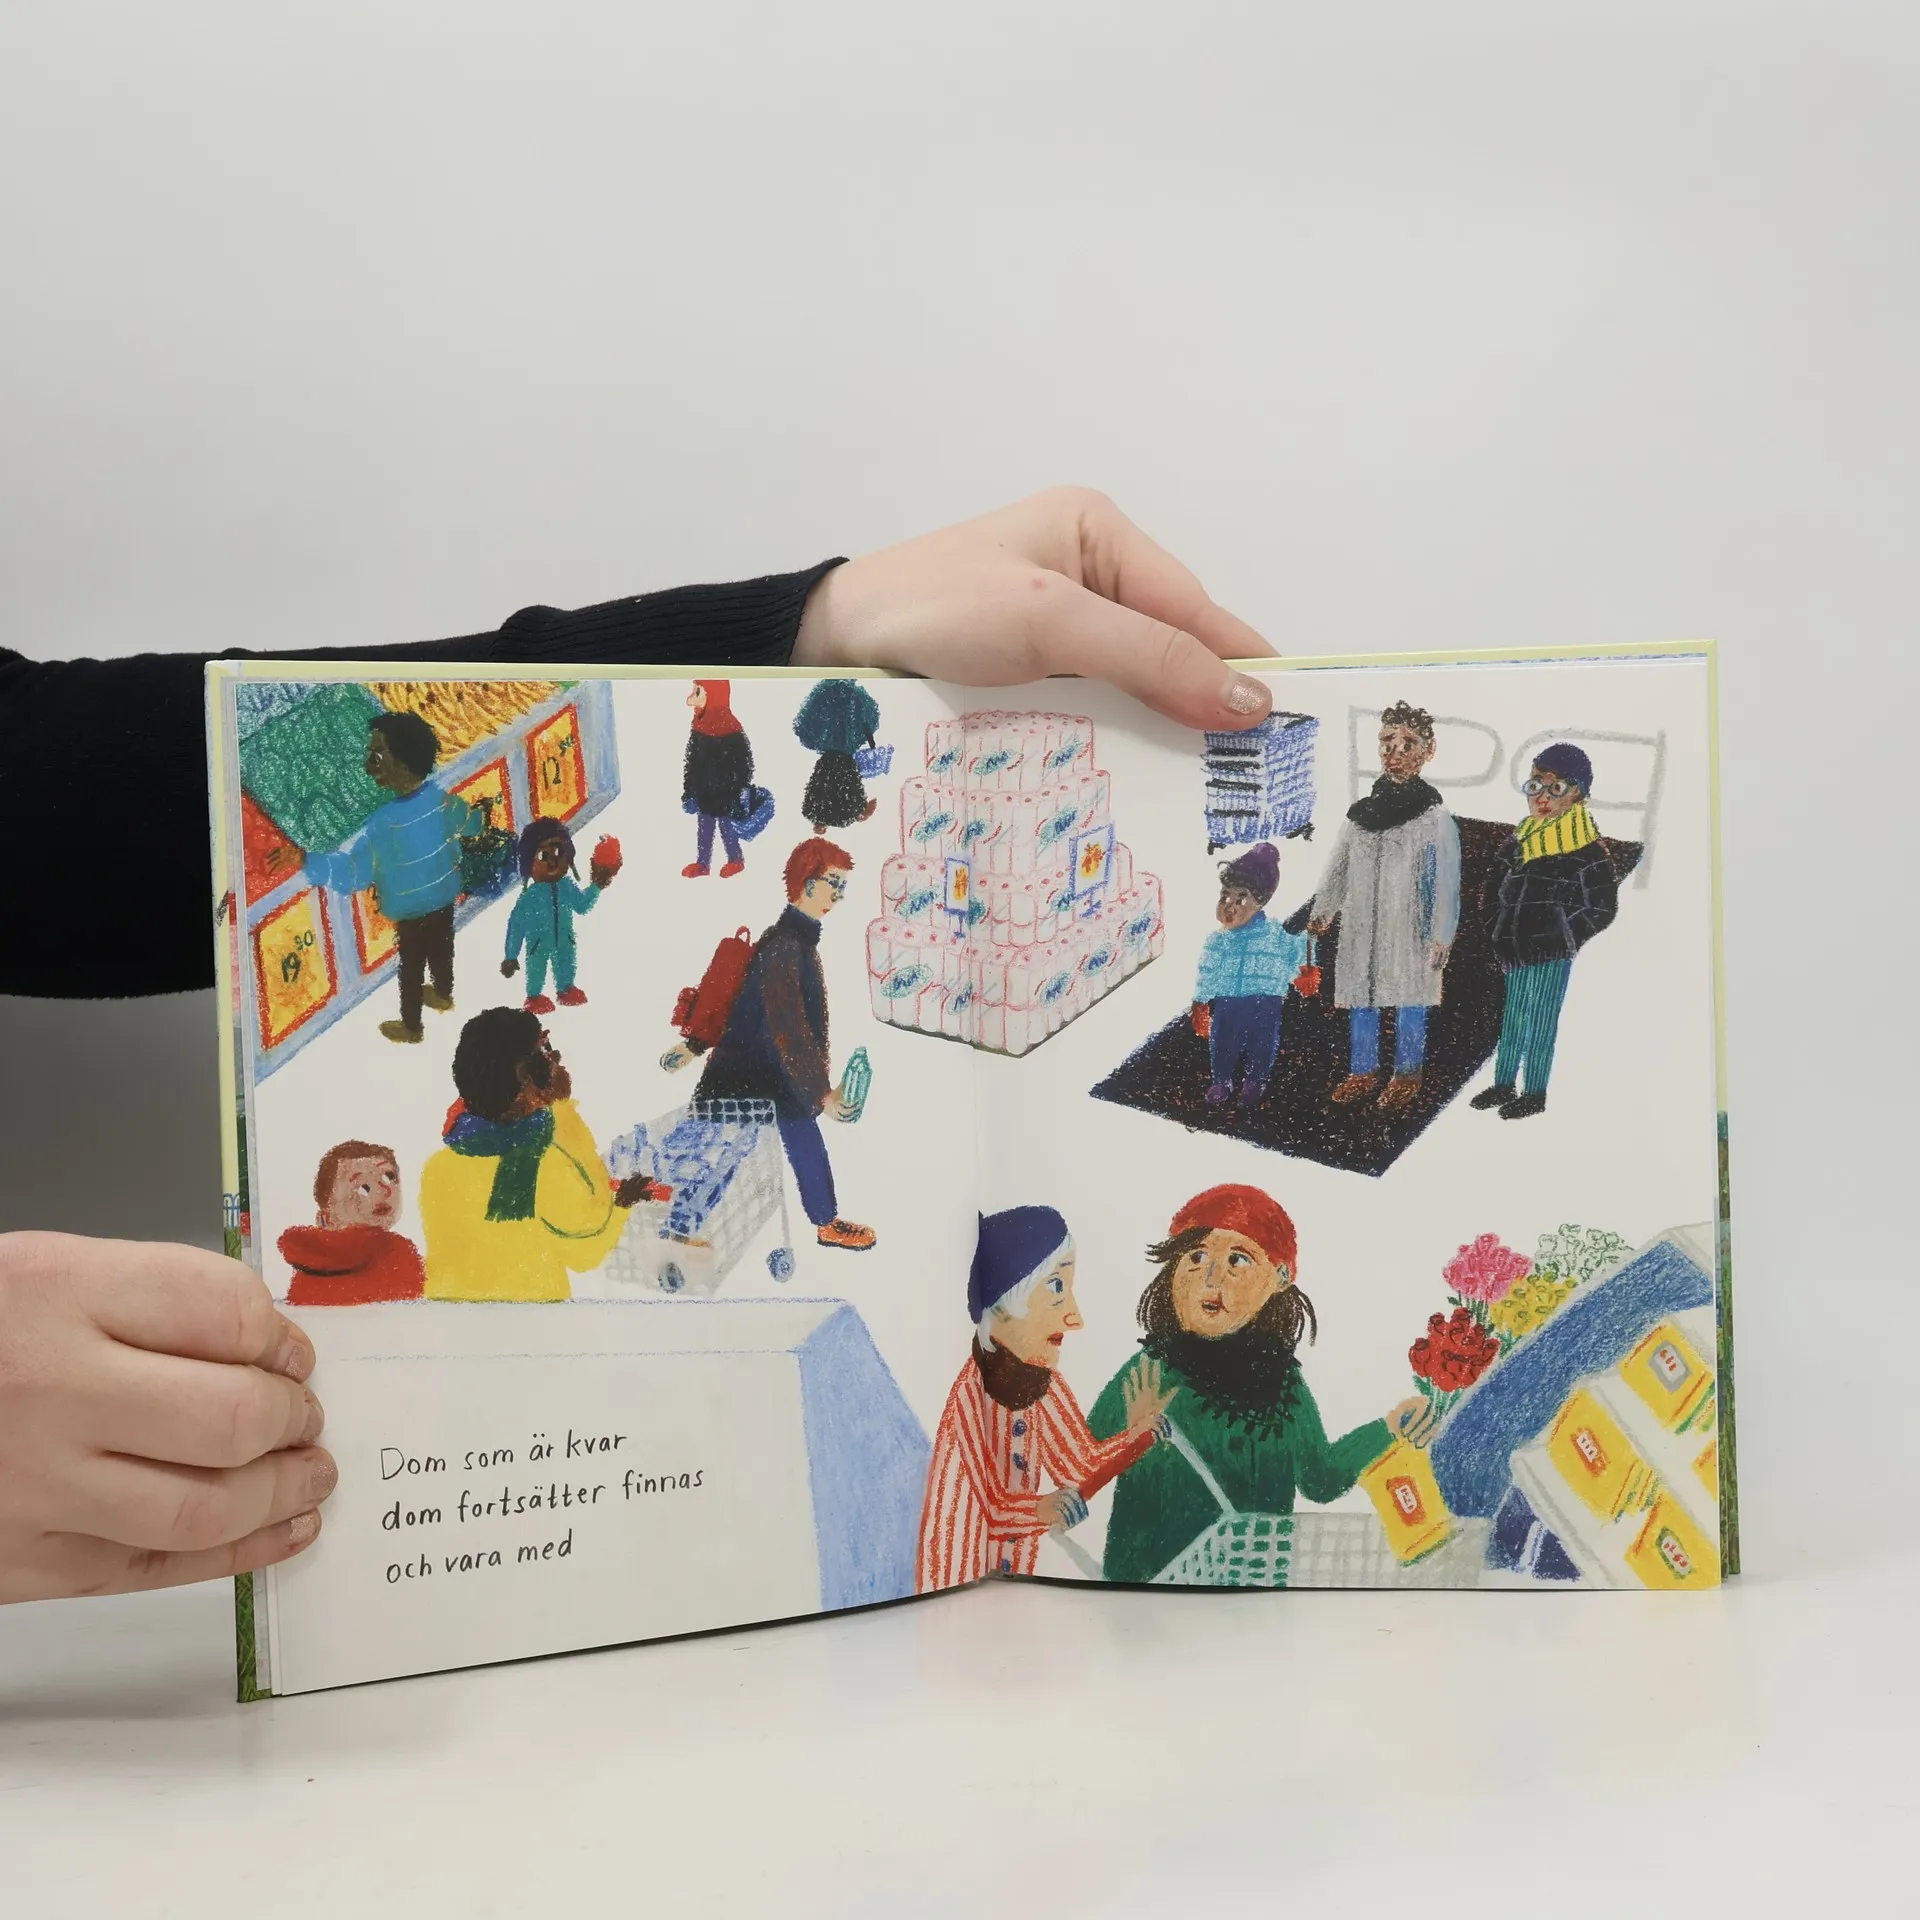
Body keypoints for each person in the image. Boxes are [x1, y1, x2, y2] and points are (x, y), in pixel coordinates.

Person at [0, 487, 1275, 1603]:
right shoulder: (659, 1045)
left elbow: (43, 777)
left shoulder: (478, 1150)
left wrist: (807, 624)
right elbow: (585, 1210)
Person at [1088, 1185, 1435, 1585]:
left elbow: (1320, 1480)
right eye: (1196, 1257)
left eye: (1237, 1260)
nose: (1211, 1278)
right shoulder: (1149, 1373)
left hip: (1256, 1596)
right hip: (1145, 1593)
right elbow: (1076, 1467)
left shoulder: (1285, 1386)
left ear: (1279, 1278)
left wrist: (1388, 1428)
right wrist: (1128, 1441)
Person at [916, 1206, 1174, 1592]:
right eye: (1056, 1287)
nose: (1075, 1318)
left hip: (1016, 1581)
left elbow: (1079, 1468)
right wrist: (1041, 1509)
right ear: (1003, 1304)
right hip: (954, 1579)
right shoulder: (970, 1393)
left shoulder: (1044, 1382)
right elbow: (990, 1509)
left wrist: (1137, 1436)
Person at [665, 838, 875, 1251]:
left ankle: (825, 1221)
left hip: (770, 1070)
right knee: (725, 1151)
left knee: (790, 1139)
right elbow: (789, 1028)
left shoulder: (793, 942)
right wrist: (820, 1093)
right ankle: (679, 1230)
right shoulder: (786, 947)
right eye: (833, 883)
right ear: (808, 883)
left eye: (842, 886)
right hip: (749, 1070)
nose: (838, 895)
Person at [420, 1008, 662, 1303]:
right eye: (543, 1052)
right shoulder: (543, 1164)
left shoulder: (437, 1166)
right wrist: (623, 1203)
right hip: (535, 1313)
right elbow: (585, 1252)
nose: (554, 1058)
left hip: (447, 1314)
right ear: (525, 1078)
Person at [1308, 703, 1461, 1113]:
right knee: (1363, 996)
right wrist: (1323, 909)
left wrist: (1442, 933)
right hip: (1362, 924)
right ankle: (1363, 1071)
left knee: (1410, 998)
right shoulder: (1360, 816)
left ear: (1428, 751)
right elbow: (1338, 866)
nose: (1395, 752)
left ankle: (1406, 1075)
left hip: (1409, 927)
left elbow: (1448, 880)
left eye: (1408, 744)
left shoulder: (1434, 817)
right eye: (1387, 742)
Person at [300, 709, 484, 1045]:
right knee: (442, 947)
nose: (367, 765)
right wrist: (480, 818)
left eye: (376, 756)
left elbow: (353, 874)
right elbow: (468, 822)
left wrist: (306, 861)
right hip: (443, 894)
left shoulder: (382, 823)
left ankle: (412, 1027)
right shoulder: (441, 800)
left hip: (409, 907)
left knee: (411, 967)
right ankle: (443, 993)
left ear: (402, 762)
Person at [1470, 743, 1619, 1120]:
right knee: (1513, 1018)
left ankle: (1534, 1092)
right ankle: (1503, 1084)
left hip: (1551, 952)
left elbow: (1602, 906)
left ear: (1578, 793)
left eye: (1556, 788)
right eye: (1535, 785)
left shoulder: (1586, 847)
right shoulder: (1520, 838)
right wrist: (1495, 925)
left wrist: (1565, 934)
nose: (1542, 797)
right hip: (1512, 946)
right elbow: (1491, 887)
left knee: (1540, 1021)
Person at [1189, 841, 1311, 1109]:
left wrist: (1304, 970)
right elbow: (1207, 972)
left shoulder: (1275, 933)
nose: (1229, 906)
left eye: (1240, 899)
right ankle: (1221, 1081)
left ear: (1260, 901)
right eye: (1224, 896)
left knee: (1262, 1044)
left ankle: (1255, 1081)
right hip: (1227, 1001)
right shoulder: (1217, 940)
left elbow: (1295, 953)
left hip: (1266, 1000)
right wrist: (1200, 1002)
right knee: (1223, 1042)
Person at [276, 1140, 426, 1306]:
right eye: (363, 1187)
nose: (383, 1191)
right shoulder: (399, 1254)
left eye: (388, 1178)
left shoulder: (305, 1267)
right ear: (326, 1219)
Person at [500, 817, 622, 1013]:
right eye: (543, 855)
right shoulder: (530, 896)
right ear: (530, 863)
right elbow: (516, 925)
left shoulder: (566, 886)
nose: (553, 860)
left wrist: (597, 885)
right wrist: (511, 956)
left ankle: (566, 988)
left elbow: (582, 906)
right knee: (536, 967)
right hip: (538, 943)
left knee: (566, 961)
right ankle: (534, 997)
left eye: (558, 852)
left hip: (565, 939)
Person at [681, 678, 756, 878]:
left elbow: (744, 765)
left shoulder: (732, 730)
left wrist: (738, 790)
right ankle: (703, 864)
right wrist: (689, 791)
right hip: (704, 791)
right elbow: (692, 762)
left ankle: (735, 859)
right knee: (704, 828)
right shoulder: (698, 727)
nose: (690, 699)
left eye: (698, 692)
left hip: (726, 793)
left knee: (727, 826)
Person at [792, 678, 884, 831]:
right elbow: (867, 722)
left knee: (825, 782)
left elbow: (806, 722)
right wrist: (871, 743)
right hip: (842, 753)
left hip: (831, 754)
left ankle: (823, 819)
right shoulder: (855, 697)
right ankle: (853, 811)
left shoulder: (825, 695)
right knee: (842, 781)